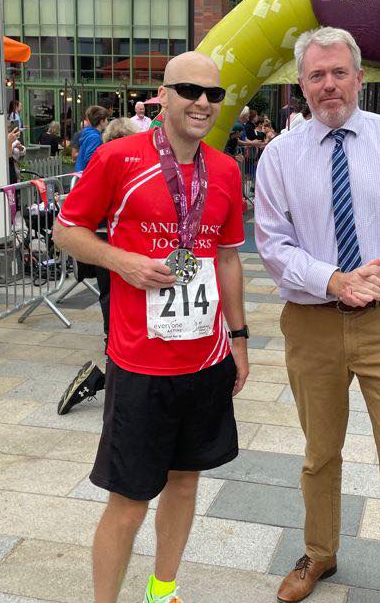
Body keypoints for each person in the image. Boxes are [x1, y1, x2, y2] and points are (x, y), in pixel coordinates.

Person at [254, 28, 380, 603]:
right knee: (320, 455)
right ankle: (319, 553)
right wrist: (334, 280)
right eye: (316, 75)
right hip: (312, 324)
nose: (329, 85)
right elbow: (273, 245)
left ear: (360, 77)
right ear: (301, 84)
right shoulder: (280, 156)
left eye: (339, 72)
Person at [52, 52, 249, 603]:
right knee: (130, 497)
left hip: (206, 359)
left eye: (214, 93)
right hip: (140, 361)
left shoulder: (227, 169)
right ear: (162, 95)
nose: (203, 102)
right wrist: (125, 262)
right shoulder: (118, 158)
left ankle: (162, 591)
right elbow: (66, 232)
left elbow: (227, 259)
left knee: (186, 481)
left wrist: (239, 339)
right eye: (189, 89)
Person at [56, 115, 141, 414]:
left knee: (113, 306)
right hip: (118, 251)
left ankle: (106, 371)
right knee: (120, 311)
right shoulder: (126, 165)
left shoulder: (106, 163)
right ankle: (104, 376)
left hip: (109, 250)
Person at [74, 106, 109, 173]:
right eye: (106, 119)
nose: (107, 122)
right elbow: (90, 158)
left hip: (81, 172)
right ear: (102, 121)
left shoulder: (89, 134)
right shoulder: (95, 137)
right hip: (87, 174)